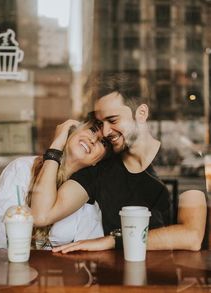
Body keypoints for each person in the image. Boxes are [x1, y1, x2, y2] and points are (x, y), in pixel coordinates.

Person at [31, 72, 207, 253]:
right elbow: (41, 215)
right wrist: (55, 148)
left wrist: (113, 240)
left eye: (112, 120)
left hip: (170, 277)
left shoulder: (179, 159)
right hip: (116, 278)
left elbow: (192, 236)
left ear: (141, 113)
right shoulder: (100, 168)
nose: (105, 132)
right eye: (101, 123)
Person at [0, 119, 112, 249]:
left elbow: (86, 257)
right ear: (74, 131)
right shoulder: (21, 168)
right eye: (92, 130)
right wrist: (56, 146)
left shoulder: (86, 198)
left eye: (103, 142)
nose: (93, 140)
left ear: (98, 161)